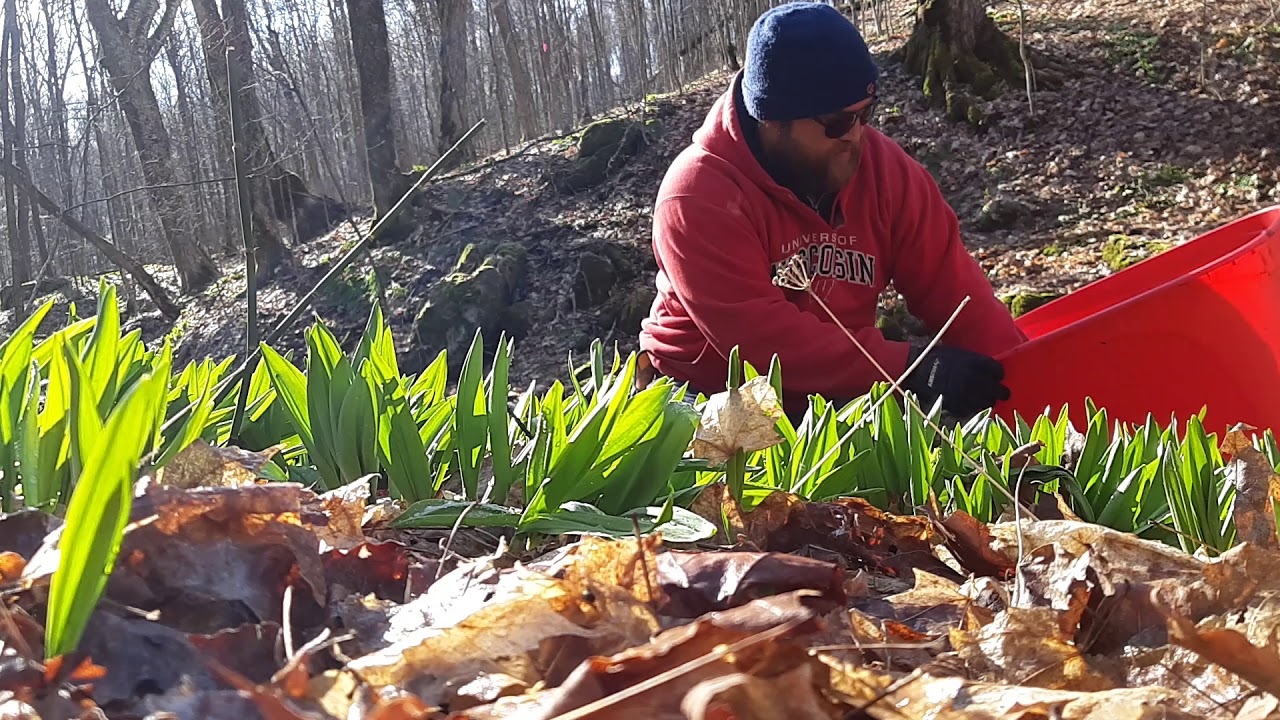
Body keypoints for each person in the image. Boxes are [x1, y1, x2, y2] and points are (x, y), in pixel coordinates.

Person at [636, 1, 1027, 419]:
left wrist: (1024, 377)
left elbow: (957, 294)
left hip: (839, 390)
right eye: (837, 123)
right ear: (773, 119)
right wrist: (910, 366)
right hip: (704, 395)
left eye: (865, 114)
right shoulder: (698, 194)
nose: (855, 137)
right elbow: (758, 341)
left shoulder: (887, 173)